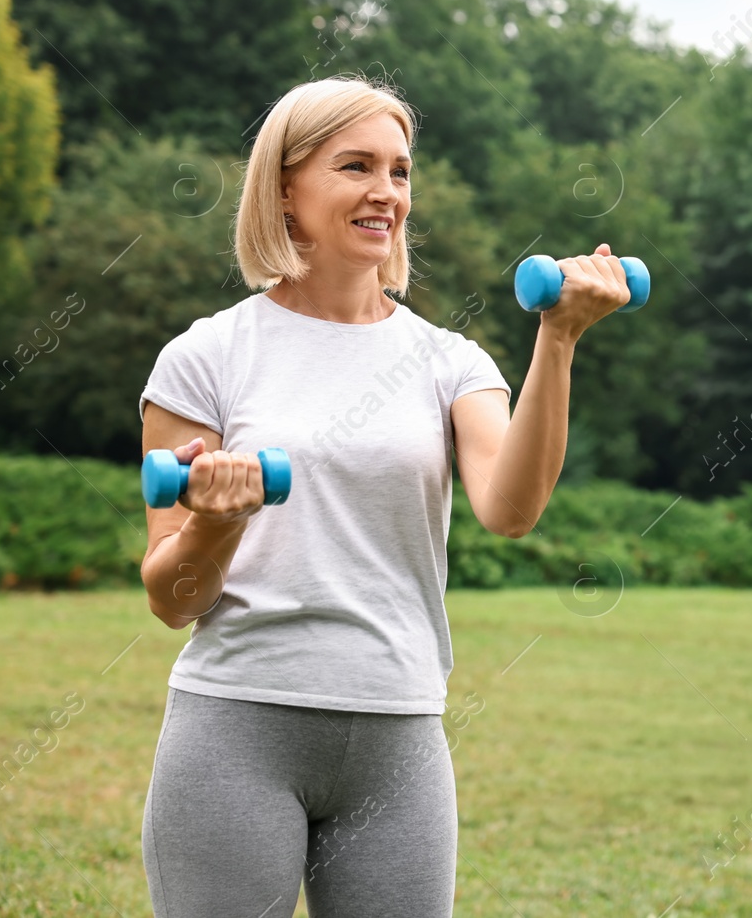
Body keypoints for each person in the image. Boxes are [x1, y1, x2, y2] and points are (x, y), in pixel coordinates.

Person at [137, 75, 629, 917]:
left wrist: (559, 336)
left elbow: (510, 509)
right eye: (356, 165)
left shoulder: (450, 360)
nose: (385, 193)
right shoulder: (206, 355)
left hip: (400, 732)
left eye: (400, 171)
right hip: (237, 725)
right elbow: (171, 597)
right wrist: (217, 526)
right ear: (285, 188)